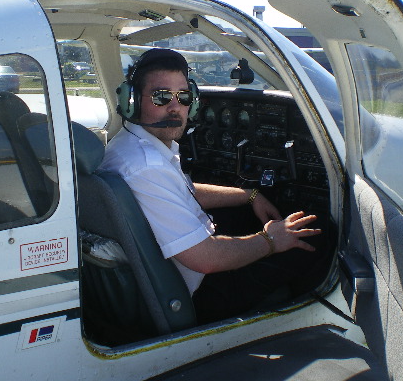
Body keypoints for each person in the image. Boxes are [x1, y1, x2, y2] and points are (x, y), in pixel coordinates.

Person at [100, 48, 330, 323]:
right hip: (201, 291)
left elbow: (184, 192)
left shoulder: (129, 147)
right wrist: (271, 240)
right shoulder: (146, 167)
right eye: (161, 97)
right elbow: (206, 258)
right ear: (132, 101)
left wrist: (248, 195)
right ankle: (297, 326)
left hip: (165, 269)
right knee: (320, 232)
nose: (175, 107)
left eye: (183, 97)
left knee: (253, 214)